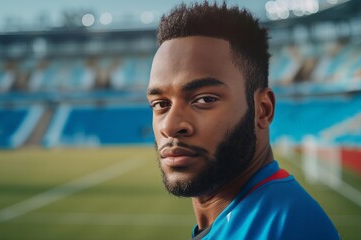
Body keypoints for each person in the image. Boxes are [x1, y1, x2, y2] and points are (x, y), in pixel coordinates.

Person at [146, 2, 340, 240]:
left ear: (263, 110)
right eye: (160, 104)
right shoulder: (248, 218)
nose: (170, 126)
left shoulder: (289, 230)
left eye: (204, 99)